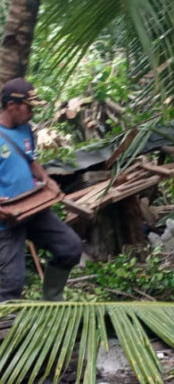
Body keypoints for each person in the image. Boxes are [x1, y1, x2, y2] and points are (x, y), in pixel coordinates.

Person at [0, 78, 82, 301]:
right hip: (5, 221)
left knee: (70, 248)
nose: (32, 112)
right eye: (29, 107)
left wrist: (46, 179)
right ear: (11, 106)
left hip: (34, 210)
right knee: (11, 285)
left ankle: (52, 301)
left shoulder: (25, 129)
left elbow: (30, 160)